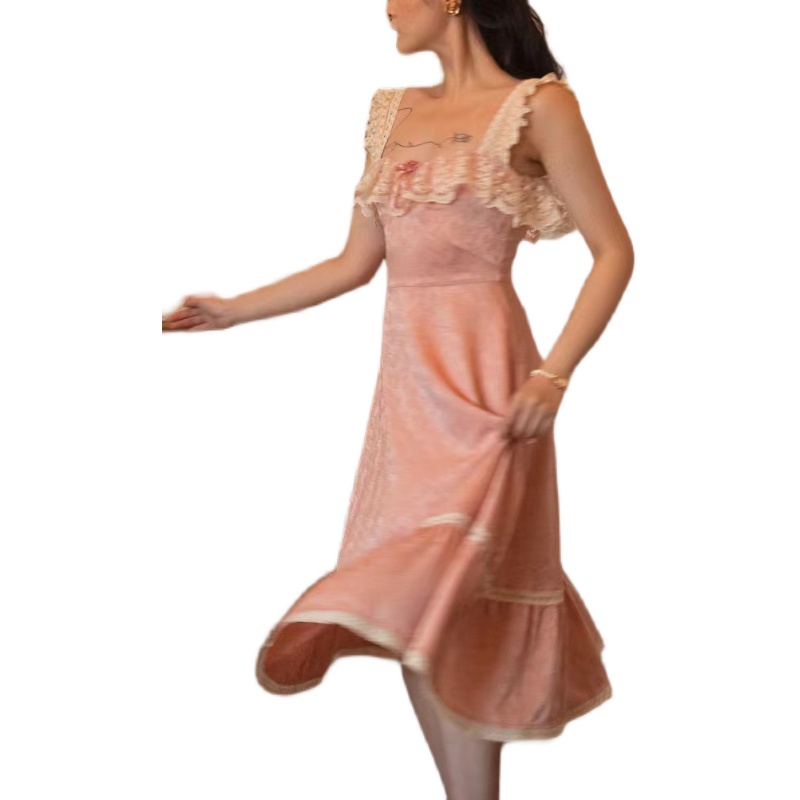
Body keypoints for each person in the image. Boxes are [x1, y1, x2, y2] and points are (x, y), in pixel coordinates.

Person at [162, 1, 633, 797]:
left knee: (455, 593)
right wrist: (234, 309)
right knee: (415, 606)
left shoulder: (540, 107)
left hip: (490, 385)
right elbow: (355, 263)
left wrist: (554, 375)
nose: (385, 7)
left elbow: (614, 251)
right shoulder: (392, 114)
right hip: (408, 397)